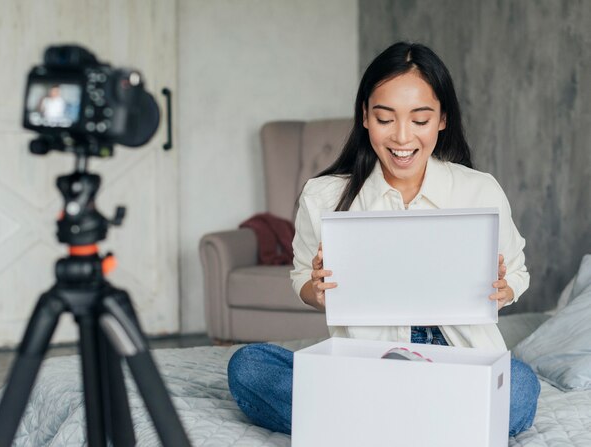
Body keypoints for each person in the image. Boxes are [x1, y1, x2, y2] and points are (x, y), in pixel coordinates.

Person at [227, 42, 540, 437]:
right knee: (248, 366)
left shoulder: (479, 190)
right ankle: (431, 428)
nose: (402, 137)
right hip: (367, 364)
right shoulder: (324, 195)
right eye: (385, 118)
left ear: (442, 119)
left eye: (420, 119)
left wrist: (502, 287)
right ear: (365, 117)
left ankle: (373, 425)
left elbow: (518, 272)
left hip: (458, 361)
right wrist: (316, 289)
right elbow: (301, 279)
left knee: (522, 387)